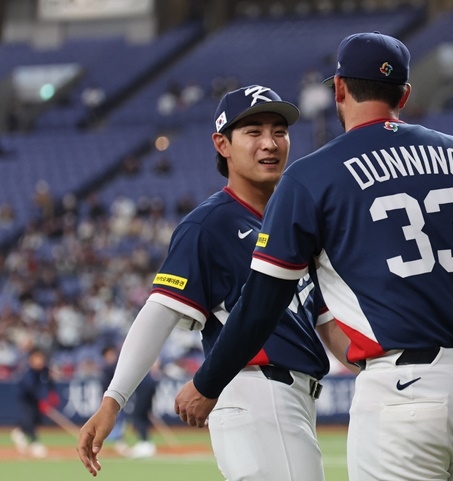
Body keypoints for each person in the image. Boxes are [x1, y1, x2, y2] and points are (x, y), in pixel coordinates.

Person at [174, 32, 453, 481]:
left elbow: (263, 302)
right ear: (404, 93)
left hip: (403, 392)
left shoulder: (313, 175)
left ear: (339, 89)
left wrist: (207, 382)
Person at [77, 85, 355, 479]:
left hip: (289, 400)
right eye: (253, 131)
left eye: (279, 131)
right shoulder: (209, 224)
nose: (270, 143)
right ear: (222, 144)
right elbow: (159, 312)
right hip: (255, 392)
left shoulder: (297, 224)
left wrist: (381, 368)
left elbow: (327, 321)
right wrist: (113, 400)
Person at [11, 347, 60, 458]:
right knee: (29, 418)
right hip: (26, 397)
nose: (39, 361)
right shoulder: (28, 373)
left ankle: (19, 432)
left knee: (38, 419)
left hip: (35, 398)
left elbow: (50, 382)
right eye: (36, 358)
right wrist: (42, 401)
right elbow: (30, 389)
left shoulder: (44, 369)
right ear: (31, 360)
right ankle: (35, 443)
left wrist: (52, 394)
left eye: (41, 358)